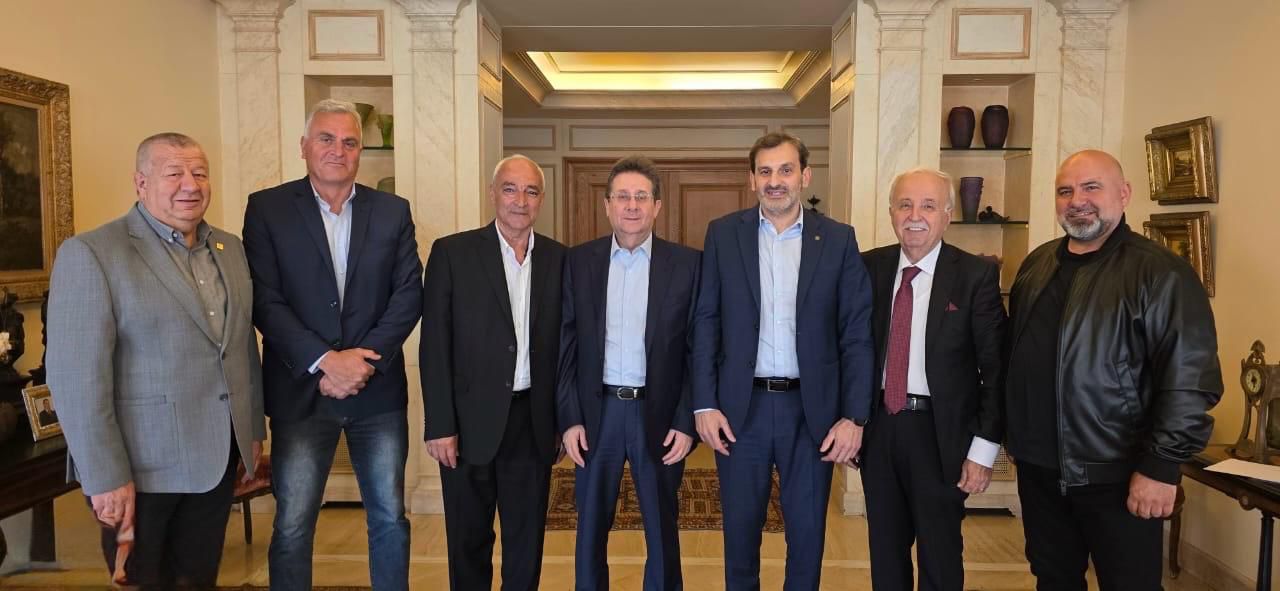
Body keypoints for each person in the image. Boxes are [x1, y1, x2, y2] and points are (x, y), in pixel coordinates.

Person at [47, 132, 265, 588]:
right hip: (140, 470)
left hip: (215, 461)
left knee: (198, 580)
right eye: (174, 173)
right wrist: (104, 476)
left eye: (200, 173)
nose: (190, 184)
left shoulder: (230, 249)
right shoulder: (93, 253)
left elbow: (240, 346)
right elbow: (77, 381)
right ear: (141, 182)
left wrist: (251, 434)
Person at [1005, 149, 1223, 591]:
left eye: (1091, 187)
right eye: (1065, 191)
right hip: (1039, 469)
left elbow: (1190, 380)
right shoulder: (1037, 265)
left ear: (1124, 194)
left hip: (1119, 472)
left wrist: (1161, 466)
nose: (1077, 201)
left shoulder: (1161, 273)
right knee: (1053, 580)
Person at [242, 99, 422, 591]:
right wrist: (325, 361)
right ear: (304, 146)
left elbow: (409, 294)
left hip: (376, 391)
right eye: (326, 139)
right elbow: (264, 299)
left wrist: (361, 364)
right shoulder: (268, 209)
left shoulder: (392, 211)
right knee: (293, 523)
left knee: (389, 518)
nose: (337, 150)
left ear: (360, 151)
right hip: (302, 391)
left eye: (349, 142)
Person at [691, 132, 874, 590]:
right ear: (752, 179)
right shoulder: (723, 234)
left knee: (807, 538)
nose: (776, 181)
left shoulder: (838, 240)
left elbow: (856, 334)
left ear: (805, 176)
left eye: (786, 170)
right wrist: (704, 403)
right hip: (741, 411)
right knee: (739, 537)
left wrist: (854, 416)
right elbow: (706, 322)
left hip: (812, 414)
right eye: (766, 171)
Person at [421, 154, 566, 590]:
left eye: (531, 191)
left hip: (533, 423)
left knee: (526, 543)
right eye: (510, 189)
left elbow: (568, 348)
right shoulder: (453, 254)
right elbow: (434, 346)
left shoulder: (560, 259)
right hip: (468, 424)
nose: (520, 200)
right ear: (492, 194)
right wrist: (440, 425)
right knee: (468, 540)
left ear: (541, 199)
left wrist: (564, 421)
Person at [556, 156, 699, 590]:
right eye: (622, 196)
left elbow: (698, 351)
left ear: (657, 206)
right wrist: (570, 419)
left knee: (662, 528)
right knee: (589, 528)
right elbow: (565, 347)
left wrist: (686, 420)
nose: (631, 205)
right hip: (596, 414)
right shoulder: (579, 262)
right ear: (607, 205)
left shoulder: (688, 265)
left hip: (658, 415)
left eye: (641, 196)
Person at [860, 168, 1005, 591]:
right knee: (885, 554)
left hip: (942, 436)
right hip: (880, 429)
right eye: (904, 205)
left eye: (928, 205)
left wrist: (983, 450)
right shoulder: (868, 267)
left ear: (947, 214)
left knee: (940, 558)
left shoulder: (974, 276)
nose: (914, 216)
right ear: (891, 212)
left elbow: (996, 369)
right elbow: (848, 351)